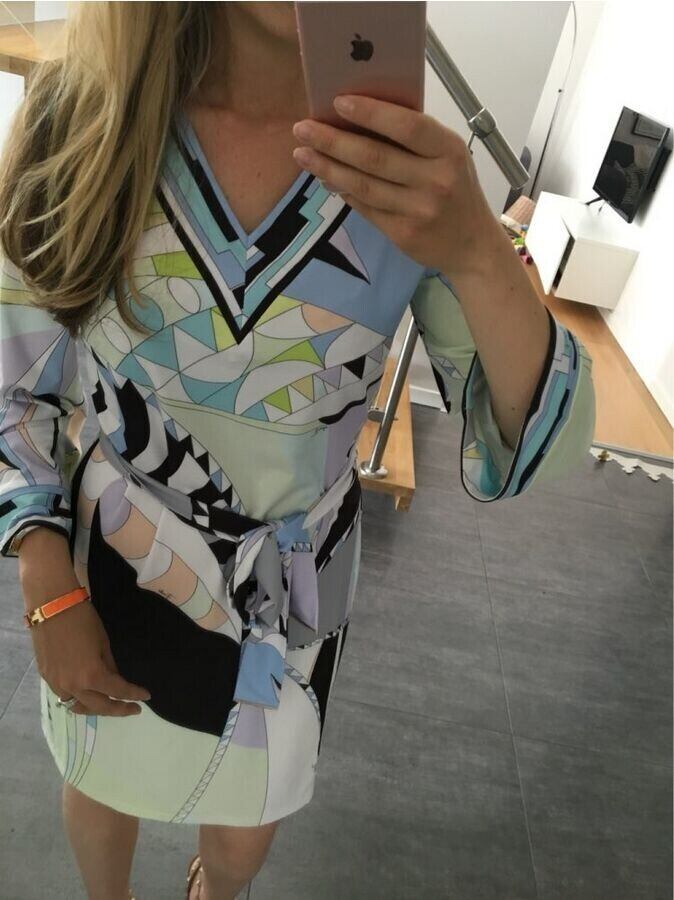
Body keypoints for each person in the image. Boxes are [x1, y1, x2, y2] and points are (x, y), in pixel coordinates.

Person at [0, 3, 596, 898]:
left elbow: (539, 442)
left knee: (247, 826)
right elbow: (13, 378)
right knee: (99, 780)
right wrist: (46, 587)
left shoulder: (408, 175)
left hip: (288, 609)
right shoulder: (82, 118)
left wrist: (476, 245)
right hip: (106, 576)